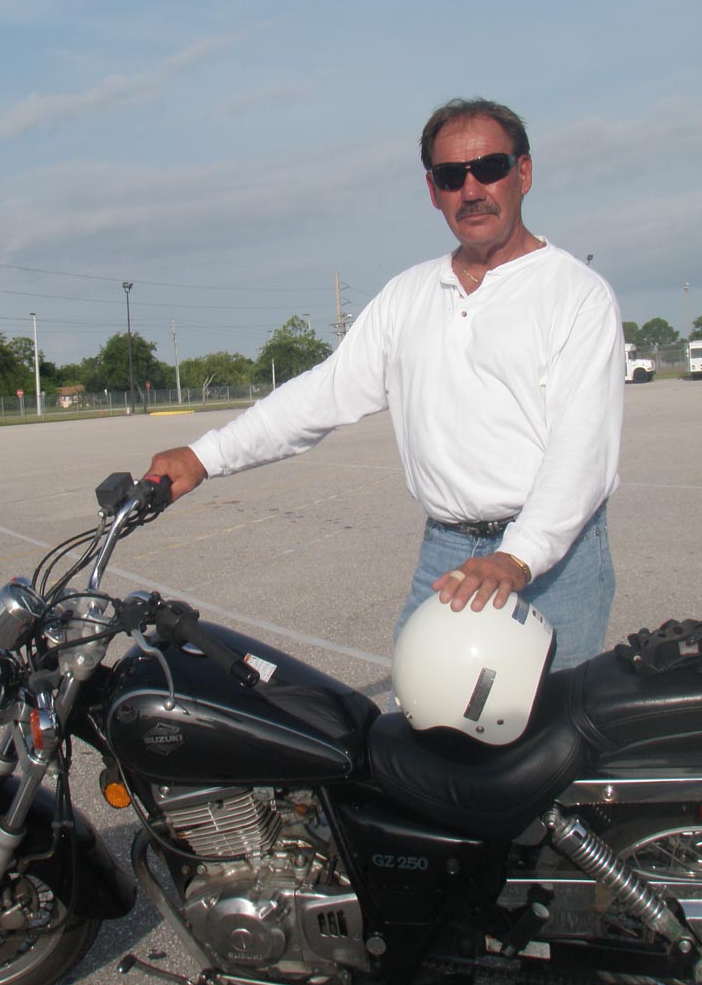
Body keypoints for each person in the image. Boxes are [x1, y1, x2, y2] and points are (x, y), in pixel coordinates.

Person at [147, 98, 624, 671]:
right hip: (448, 551)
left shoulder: (577, 295)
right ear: (433, 191)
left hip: (553, 560)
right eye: (451, 176)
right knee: (424, 717)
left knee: (550, 720)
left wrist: (517, 558)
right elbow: (323, 394)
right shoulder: (408, 295)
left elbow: (582, 452)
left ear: (523, 173)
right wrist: (203, 456)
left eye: (489, 168)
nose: (471, 190)